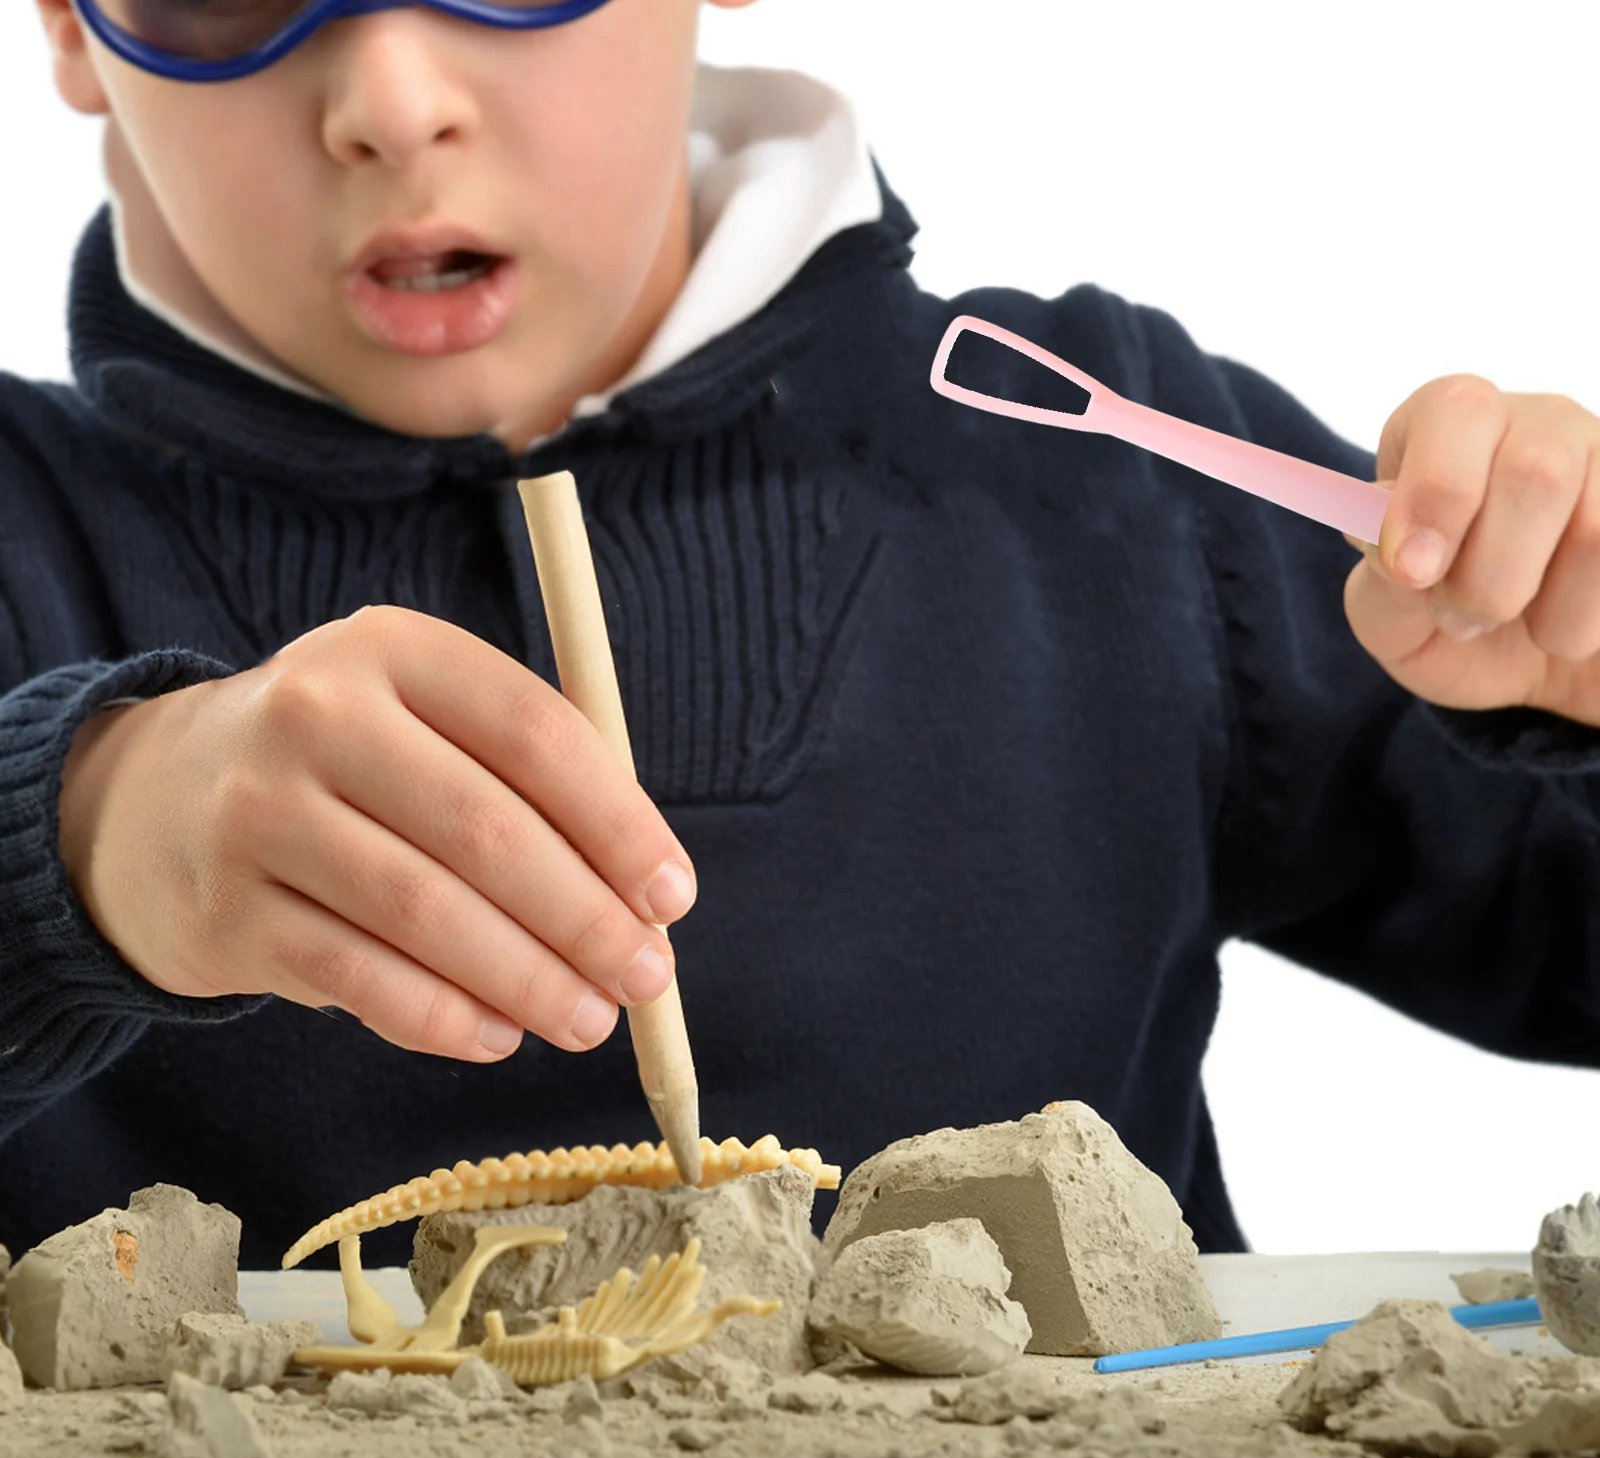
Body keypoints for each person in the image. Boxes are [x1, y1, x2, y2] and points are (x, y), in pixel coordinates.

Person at [3, 0, 1598, 1269]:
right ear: (72, 29)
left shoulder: (1121, 482)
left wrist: (1577, 684)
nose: (392, 99)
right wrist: (76, 842)